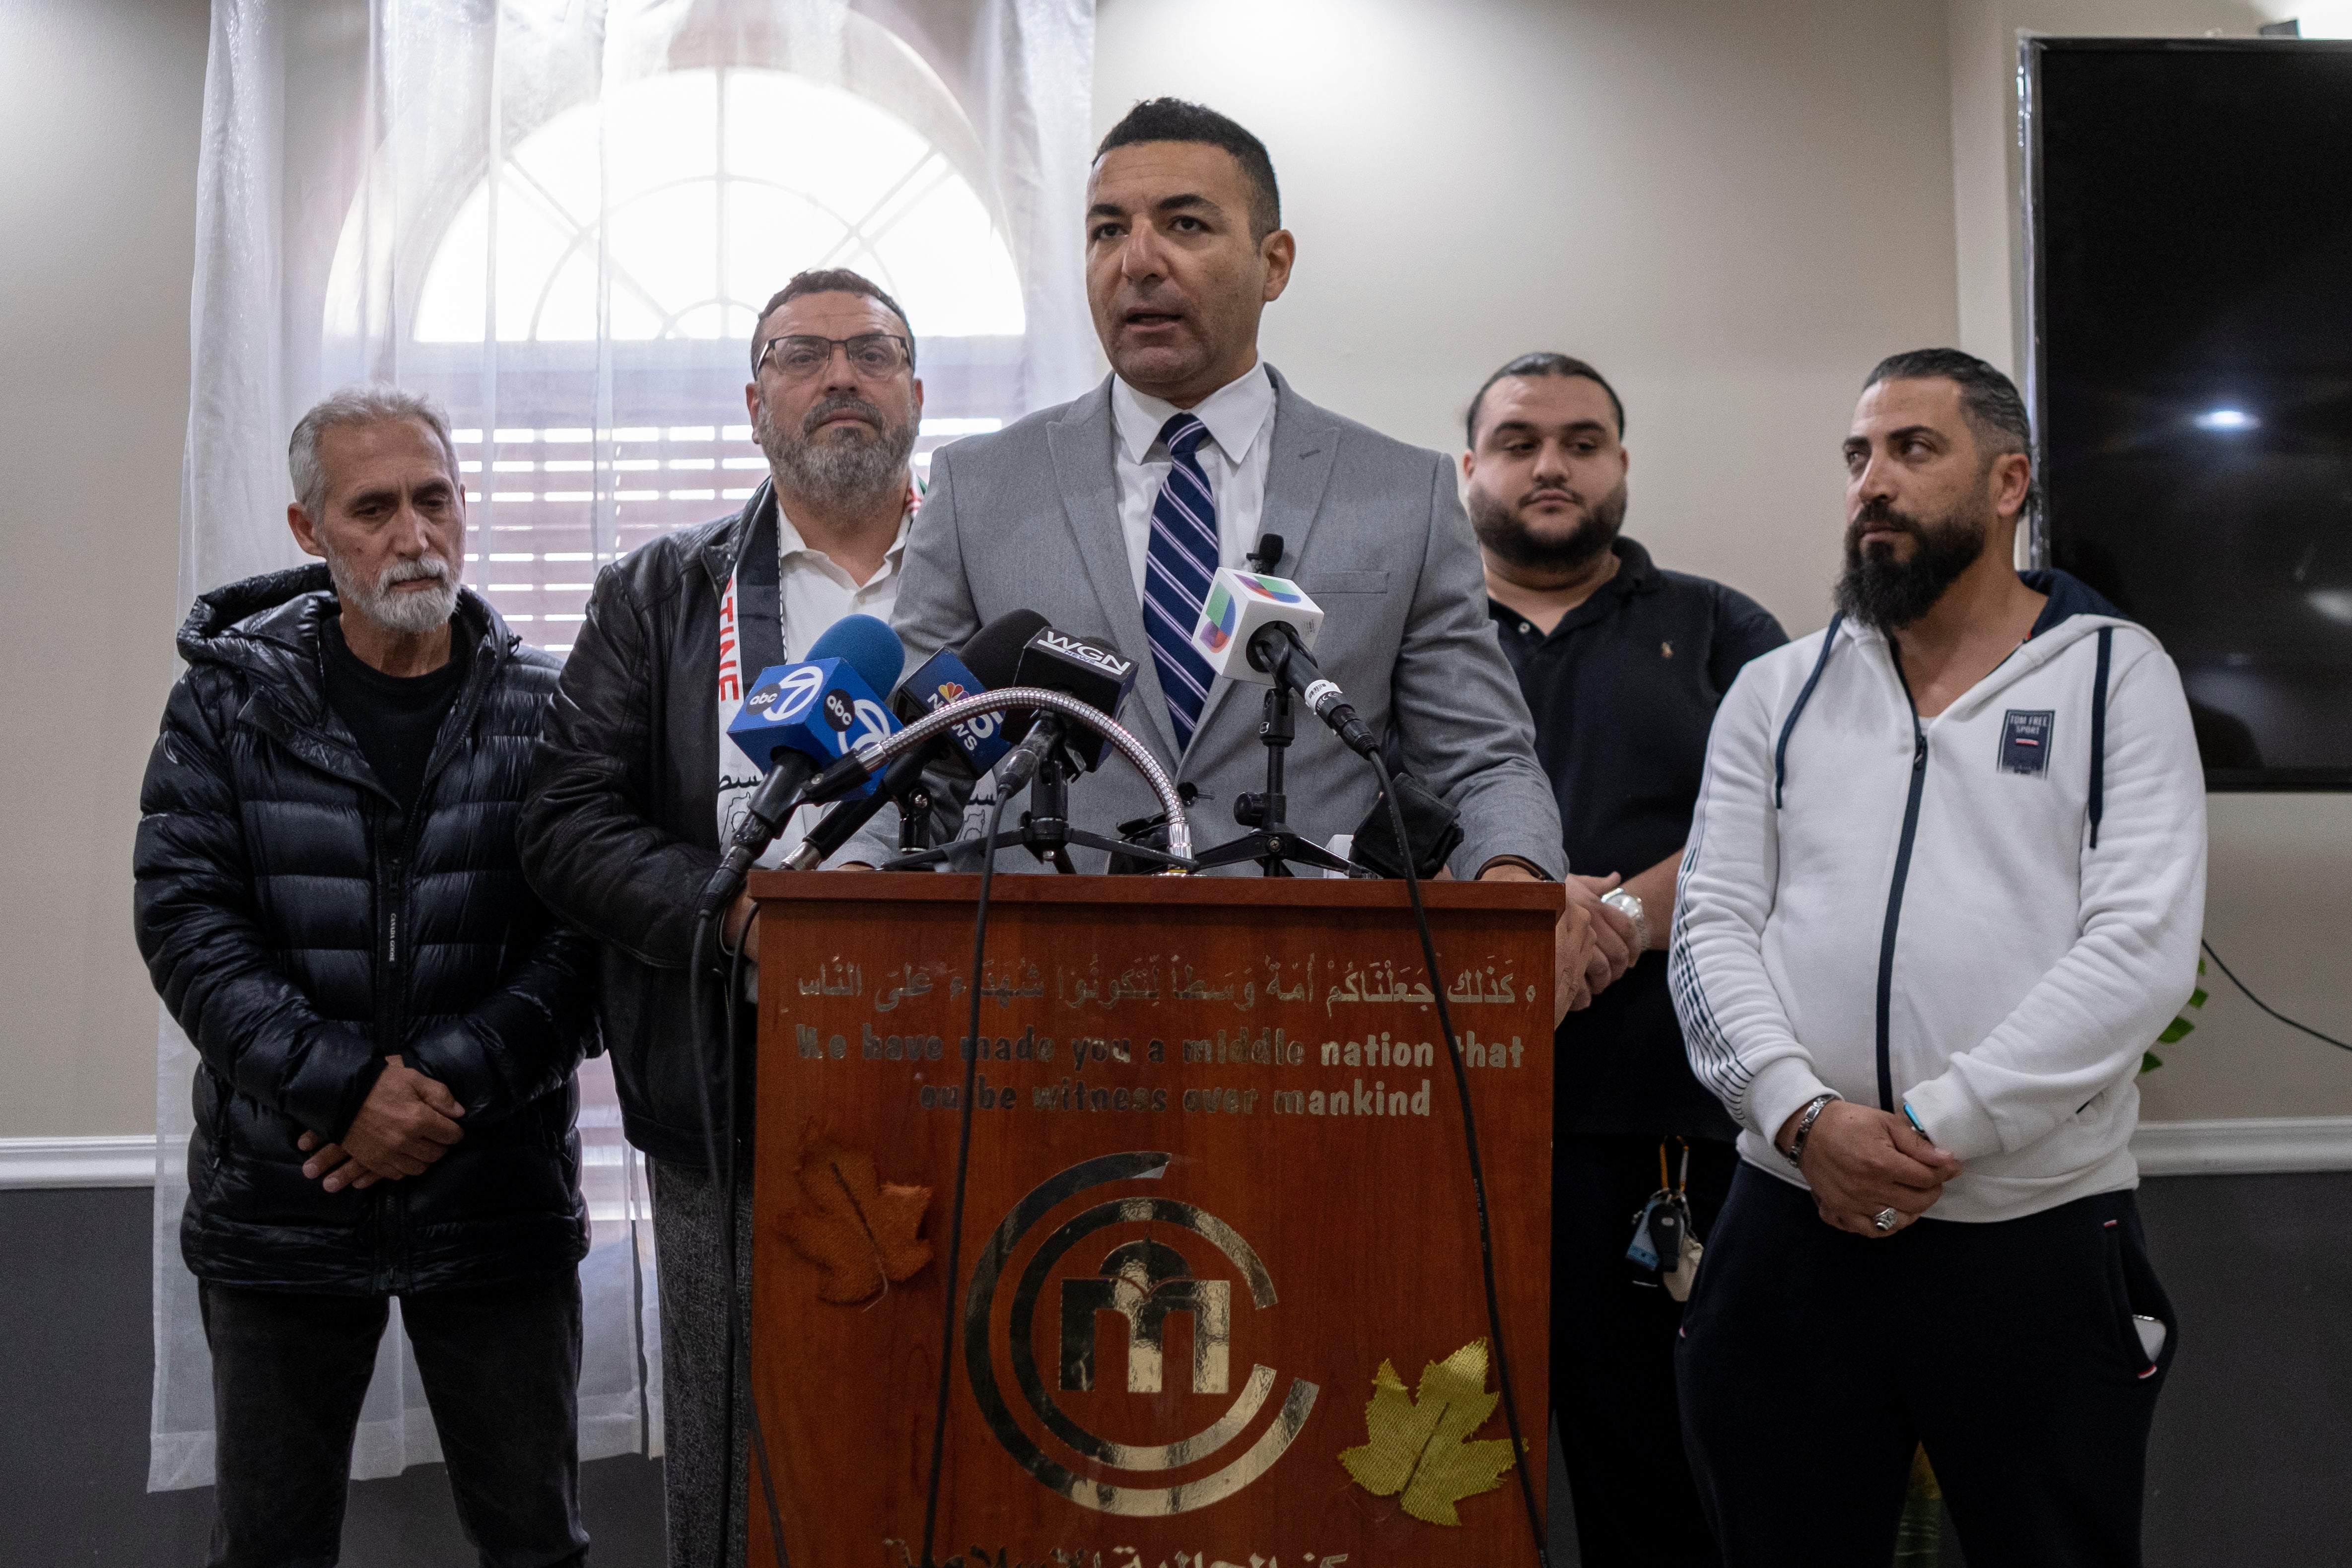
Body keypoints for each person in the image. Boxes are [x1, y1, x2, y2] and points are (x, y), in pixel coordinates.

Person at [847, 98, 1596, 1008]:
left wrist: (1516, 888)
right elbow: (908, 753)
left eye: (1185, 225)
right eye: (1106, 230)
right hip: (1040, 1003)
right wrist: (838, 918)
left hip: (1318, 1002)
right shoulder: (980, 486)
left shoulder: (1402, 492)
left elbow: (1479, 757)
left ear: (1272, 263)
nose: (1137, 261)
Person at [1669, 348, 2207, 1567]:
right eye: (1858, 455)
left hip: (2030, 1237)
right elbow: (1709, 925)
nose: (1871, 482)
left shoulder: (2119, 677)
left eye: (1913, 451)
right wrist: (1805, 1120)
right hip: (1788, 1223)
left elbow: (2135, 951)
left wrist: (1928, 1129)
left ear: (2006, 482)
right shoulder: (1775, 690)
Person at [134, 387, 598, 1567]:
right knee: (272, 1546)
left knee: (536, 1542)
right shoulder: (226, 704)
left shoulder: (553, 707)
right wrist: (341, 1091)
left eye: (433, 499)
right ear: (309, 529)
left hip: (494, 1193)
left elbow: (586, 940)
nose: (413, 534)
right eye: (374, 507)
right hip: (285, 1197)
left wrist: (439, 1085)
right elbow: (188, 922)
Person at [518, 267, 924, 1566]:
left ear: (917, 394)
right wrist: (734, 914)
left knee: (944, 1415)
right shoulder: (662, 591)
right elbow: (563, 823)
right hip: (733, 1078)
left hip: (969, 1068)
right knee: (741, 1445)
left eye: (872, 353)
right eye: (804, 357)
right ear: (755, 405)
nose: (841, 377)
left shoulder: (988, 575)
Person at [1462, 352, 1786, 1566]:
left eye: (1582, 441)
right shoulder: (1406, 629)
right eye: (1519, 440)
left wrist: (1611, 926)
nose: (1551, 463)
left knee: (1651, 1470)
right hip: (1437, 1114)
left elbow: (1787, 816)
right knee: (1419, 1458)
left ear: (1621, 464)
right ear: (1469, 467)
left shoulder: (1719, 628)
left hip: (1658, 1123)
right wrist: (1515, 936)